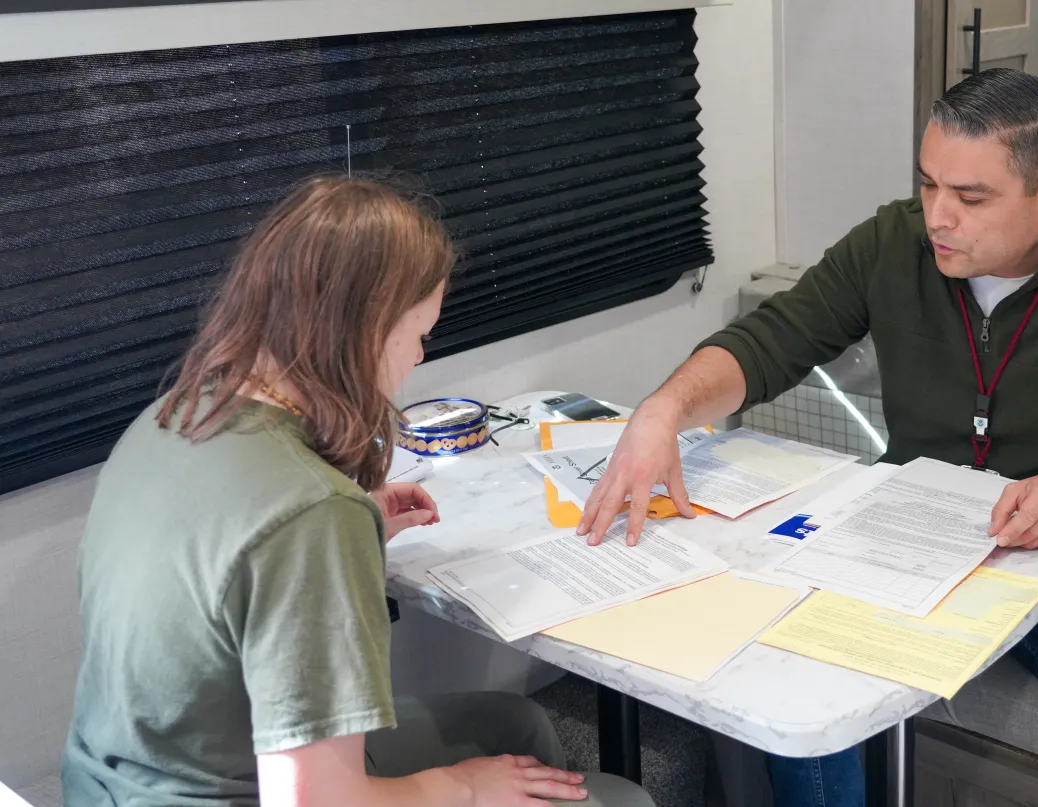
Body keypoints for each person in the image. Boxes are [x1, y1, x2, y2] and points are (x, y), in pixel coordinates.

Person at [578, 68, 1038, 807]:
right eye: (927, 185)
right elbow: (770, 343)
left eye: (970, 196)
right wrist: (663, 411)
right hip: (914, 527)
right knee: (798, 713)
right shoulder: (892, 243)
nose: (937, 217)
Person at [62, 177, 655, 807]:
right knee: (620, 798)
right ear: (367, 329)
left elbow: (224, 565)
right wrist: (462, 787)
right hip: (244, 794)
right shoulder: (315, 514)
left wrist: (355, 522)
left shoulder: (177, 413)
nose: (421, 356)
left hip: (117, 778)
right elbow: (315, 801)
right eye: (420, 331)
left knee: (521, 725)